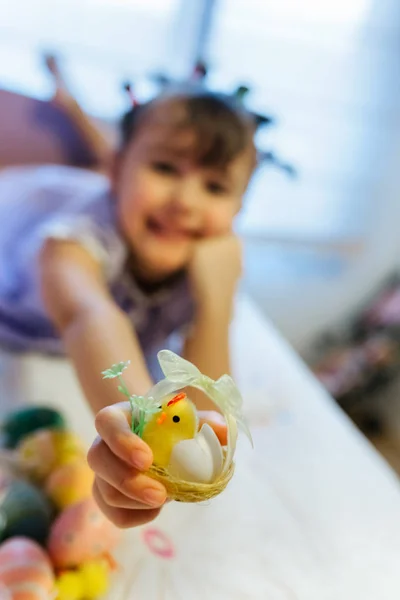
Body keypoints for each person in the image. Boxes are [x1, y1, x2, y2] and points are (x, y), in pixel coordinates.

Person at [0, 60, 257, 528]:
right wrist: (141, 422)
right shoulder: (73, 242)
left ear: (238, 210)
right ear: (117, 174)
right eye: (164, 167)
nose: (187, 200)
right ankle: (71, 104)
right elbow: (89, 315)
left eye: (215, 186)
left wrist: (218, 303)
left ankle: (77, 107)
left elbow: (208, 416)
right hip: (18, 220)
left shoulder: (197, 261)